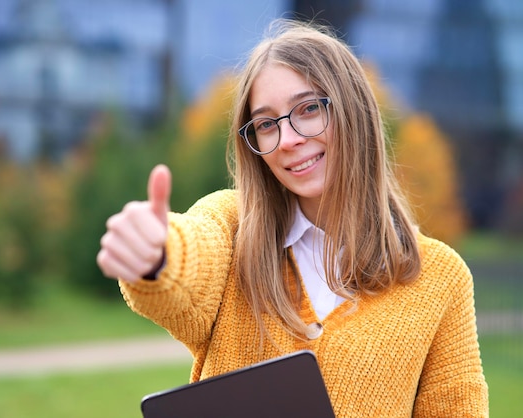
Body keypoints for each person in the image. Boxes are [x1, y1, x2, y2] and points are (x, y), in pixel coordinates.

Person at [97, 19, 489, 417]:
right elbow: (192, 257)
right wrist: (157, 254)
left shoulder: (440, 279)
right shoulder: (233, 228)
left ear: (353, 111)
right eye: (266, 124)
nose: (288, 140)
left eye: (308, 109)